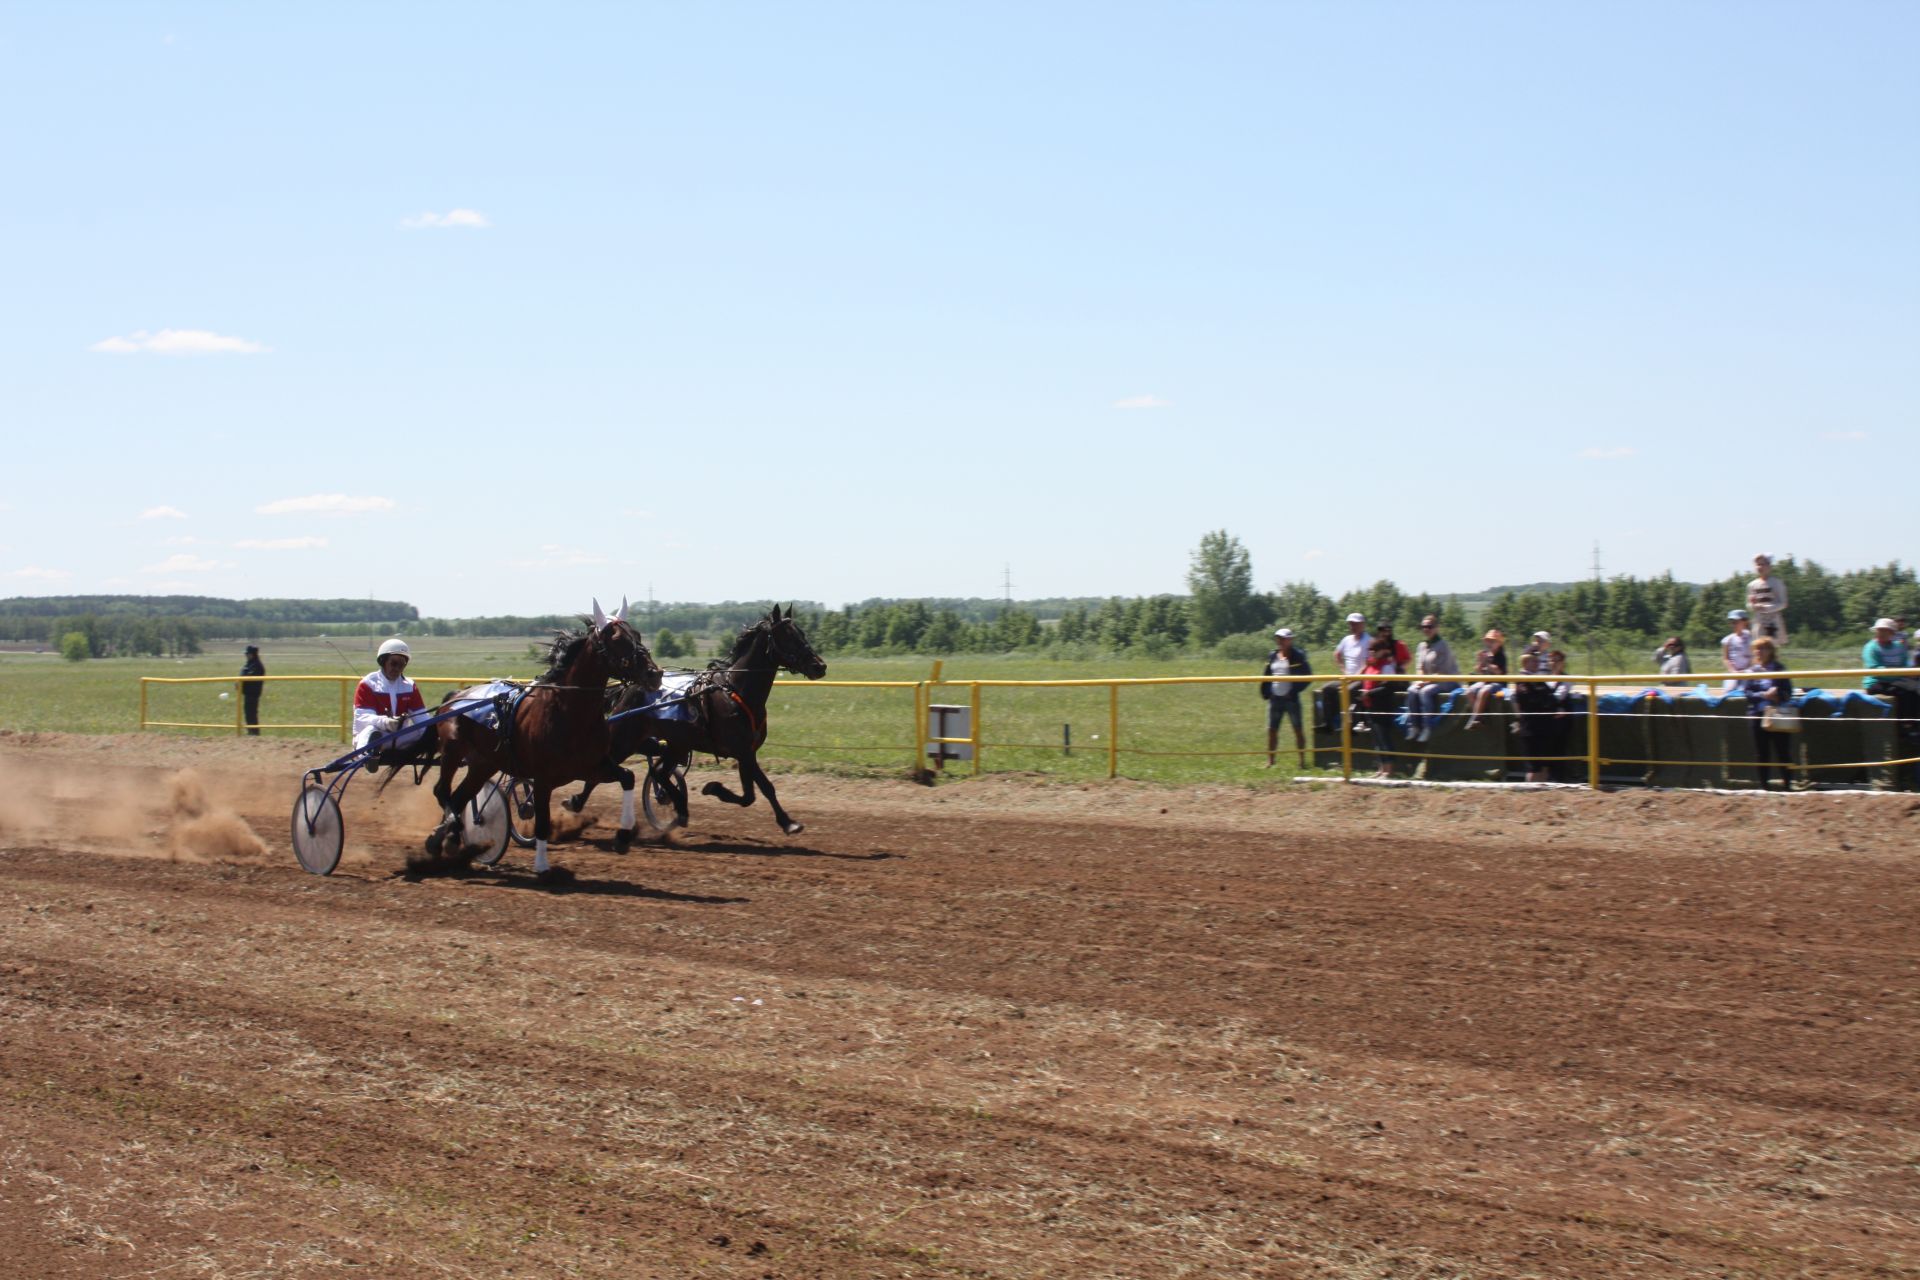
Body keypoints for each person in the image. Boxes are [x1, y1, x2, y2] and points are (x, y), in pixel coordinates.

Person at [354, 637, 427, 750]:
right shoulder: (368, 684)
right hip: (370, 738)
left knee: (427, 731)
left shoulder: (409, 686)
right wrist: (385, 722)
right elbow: (362, 718)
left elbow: (422, 719)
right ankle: (370, 755)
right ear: (383, 661)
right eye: (394, 663)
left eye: (401, 665)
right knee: (371, 730)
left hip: (397, 739)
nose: (397, 669)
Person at [1742, 636, 1795, 790]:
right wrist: (1763, 695)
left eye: (1763, 648)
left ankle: (1788, 784)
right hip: (1757, 715)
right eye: (1756, 649)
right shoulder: (1751, 671)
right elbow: (1747, 693)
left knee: (1782, 750)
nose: (1759, 652)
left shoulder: (1780, 669)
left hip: (1777, 713)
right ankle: (1764, 786)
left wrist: (1778, 695)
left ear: (1771, 651)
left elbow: (1788, 691)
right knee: (1761, 752)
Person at [1259, 628, 1312, 767]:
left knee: (1297, 729)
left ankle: (1301, 761)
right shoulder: (1273, 655)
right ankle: (1270, 761)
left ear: (1290, 640)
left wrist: (1293, 691)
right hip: (1275, 699)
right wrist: (1266, 692)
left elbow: (1308, 676)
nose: (1280, 641)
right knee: (1272, 729)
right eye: (1278, 638)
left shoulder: (1298, 656)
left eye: (1283, 638)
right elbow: (1267, 674)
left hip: (1291, 700)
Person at [1863, 617, 1920, 743]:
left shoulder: (1898, 647)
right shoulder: (1871, 647)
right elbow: (1875, 669)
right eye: (1880, 630)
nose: (1882, 633)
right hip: (1877, 682)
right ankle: (1902, 728)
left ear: (1892, 633)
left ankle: (1914, 724)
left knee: (1916, 689)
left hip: (1897, 679)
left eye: (1885, 630)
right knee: (1902, 693)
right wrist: (1900, 674)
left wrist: (1908, 673)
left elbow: (1905, 664)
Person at [1404, 614, 1460, 743]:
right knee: (1412, 690)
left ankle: (1427, 727)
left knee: (1425, 691)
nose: (1426, 629)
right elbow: (1420, 667)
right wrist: (1420, 680)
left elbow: (1443, 671)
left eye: (1429, 626)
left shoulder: (1443, 646)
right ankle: (1414, 726)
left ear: (1436, 628)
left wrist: (1425, 682)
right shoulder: (1422, 646)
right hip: (1428, 681)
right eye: (1423, 627)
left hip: (1447, 680)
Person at [1316, 613, 1371, 735]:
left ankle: (1349, 725)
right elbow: (1337, 654)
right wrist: (1344, 671)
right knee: (1327, 689)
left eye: (1355, 624)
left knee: (1348, 691)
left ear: (1362, 625)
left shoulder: (1368, 641)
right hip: (1347, 677)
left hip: (1362, 679)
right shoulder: (1347, 640)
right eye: (1351, 624)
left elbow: (1368, 663)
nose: (1352, 626)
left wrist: (1354, 677)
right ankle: (1328, 723)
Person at [1358, 636, 1403, 777]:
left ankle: (1389, 770)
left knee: (1384, 738)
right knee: (1377, 739)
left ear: (1383, 651)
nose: (1372, 652)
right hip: (1371, 706)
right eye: (1370, 649)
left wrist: (1369, 693)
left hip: (1383, 706)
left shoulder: (1386, 667)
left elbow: (1389, 687)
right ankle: (1381, 768)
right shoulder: (1371, 666)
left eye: (1375, 650)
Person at [1511, 652, 1560, 782]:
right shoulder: (1522, 681)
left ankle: (1542, 793)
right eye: (1534, 661)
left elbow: (1551, 697)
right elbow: (1527, 700)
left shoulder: (1538, 680)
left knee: (1544, 764)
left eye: (1538, 661)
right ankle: (1531, 794)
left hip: (1543, 725)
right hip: (1530, 726)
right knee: (1533, 767)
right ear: (1525, 663)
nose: (1537, 664)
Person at [1464, 629, 1508, 730]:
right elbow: (1479, 671)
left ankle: (1476, 718)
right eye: (1488, 641)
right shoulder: (1485, 653)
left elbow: (1498, 672)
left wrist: (1487, 663)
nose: (1489, 643)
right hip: (1486, 681)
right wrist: (1480, 662)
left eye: (1492, 641)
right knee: (1469, 691)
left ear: (1498, 643)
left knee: (1483, 691)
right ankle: (1480, 717)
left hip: (1499, 685)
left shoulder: (1501, 656)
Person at [1746, 554, 1789, 647]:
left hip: (1772, 621)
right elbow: (1749, 604)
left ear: (1769, 566)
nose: (1759, 567)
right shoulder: (1752, 585)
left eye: (1762, 564)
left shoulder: (1777, 583)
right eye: (1757, 564)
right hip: (1759, 621)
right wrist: (1753, 606)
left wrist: (1767, 608)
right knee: (1758, 646)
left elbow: (1783, 603)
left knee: (1771, 646)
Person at [1721, 609, 1754, 690]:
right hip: (1734, 672)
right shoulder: (1728, 639)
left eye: (1736, 622)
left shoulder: (1752, 638)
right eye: (1732, 622)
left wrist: (1746, 670)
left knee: (1744, 689)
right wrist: (1732, 671)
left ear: (1745, 622)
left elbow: (1755, 657)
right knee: (1729, 689)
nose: (1733, 624)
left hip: (1749, 671)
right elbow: (1725, 658)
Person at [239, 644, 265, 736]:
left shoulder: (257, 665)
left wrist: (241, 680)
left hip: (253, 693)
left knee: (251, 713)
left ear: (252, 654)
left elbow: (248, 676)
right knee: (248, 713)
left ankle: (254, 733)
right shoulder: (250, 664)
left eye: (248, 654)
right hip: (248, 693)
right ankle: (250, 731)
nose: (246, 656)